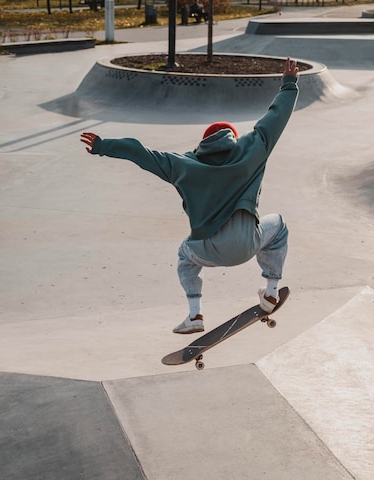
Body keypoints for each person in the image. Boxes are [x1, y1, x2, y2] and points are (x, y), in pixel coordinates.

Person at [80, 57, 299, 334]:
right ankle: (270, 291)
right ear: (233, 138)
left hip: (207, 249)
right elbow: (275, 117)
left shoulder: (183, 164)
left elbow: (141, 152)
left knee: (185, 254)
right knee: (279, 225)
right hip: (249, 243)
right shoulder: (252, 149)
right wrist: (289, 84)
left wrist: (103, 145)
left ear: (204, 143)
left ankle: (195, 314)